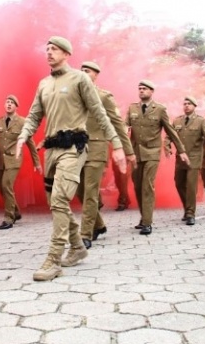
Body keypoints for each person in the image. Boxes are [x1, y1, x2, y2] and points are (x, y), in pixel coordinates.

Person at [16, 36, 127, 281]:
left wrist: (117, 144)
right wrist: (23, 136)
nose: (49, 52)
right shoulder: (44, 83)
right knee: (56, 203)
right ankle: (77, 247)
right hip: (51, 150)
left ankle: (53, 259)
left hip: (73, 147)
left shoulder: (79, 78)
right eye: (47, 49)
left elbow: (100, 113)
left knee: (59, 199)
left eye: (54, 49)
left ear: (67, 54)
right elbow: (34, 116)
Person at [73, 61, 134, 249]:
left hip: (97, 148)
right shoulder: (74, 95)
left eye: (87, 71)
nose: (83, 73)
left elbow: (117, 124)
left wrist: (127, 150)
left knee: (90, 191)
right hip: (77, 149)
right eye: (81, 70)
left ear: (96, 75)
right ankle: (99, 225)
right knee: (79, 191)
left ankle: (85, 234)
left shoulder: (104, 97)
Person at [127, 80, 189, 235]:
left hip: (152, 152)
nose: (141, 91)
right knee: (138, 186)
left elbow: (170, 131)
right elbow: (124, 126)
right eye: (139, 88)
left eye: (144, 88)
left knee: (147, 185)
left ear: (151, 91)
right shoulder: (132, 108)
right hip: (136, 153)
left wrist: (181, 150)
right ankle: (144, 217)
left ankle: (147, 223)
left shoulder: (160, 109)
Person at [0, 95, 41, 230]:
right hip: (1, 160)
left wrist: (37, 162)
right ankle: (16, 211)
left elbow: (31, 144)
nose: (9, 104)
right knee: (0, 187)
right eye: (7, 102)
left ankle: (8, 218)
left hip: (14, 160)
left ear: (16, 106)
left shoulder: (22, 122)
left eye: (12, 103)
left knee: (6, 185)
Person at [167, 96, 205, 226]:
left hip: (194, 159)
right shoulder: (177, 121)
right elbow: (170, 135)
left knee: (191, 186)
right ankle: (187, 207)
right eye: (184, 104)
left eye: (189, 104)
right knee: (179, 183)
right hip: (180, 159)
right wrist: (167, 145)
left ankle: (190, 213)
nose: (186, 106)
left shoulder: (201, 121)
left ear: (194, 106)